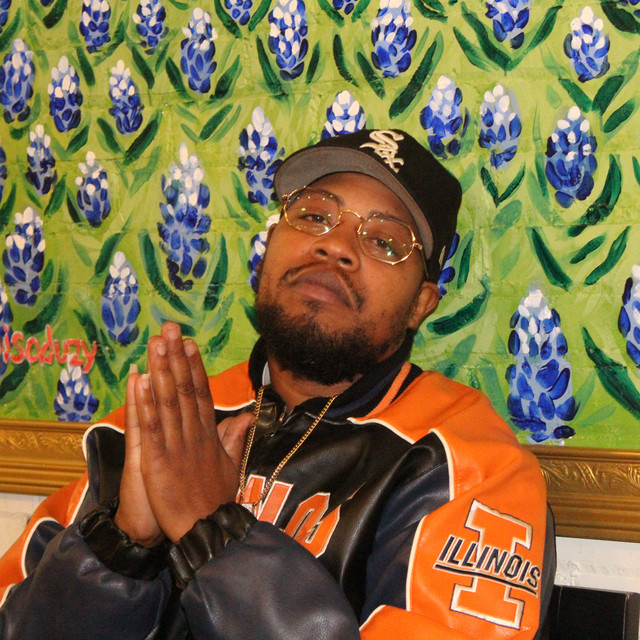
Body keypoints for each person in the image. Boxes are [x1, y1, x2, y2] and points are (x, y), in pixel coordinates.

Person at [0, 128, 555, 639]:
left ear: (421, 305)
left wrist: (212, 534)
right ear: (269, 245)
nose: (336, 245)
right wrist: (122, 547)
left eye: (385, 242)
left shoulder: (467, 465)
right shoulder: (163, 418)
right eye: (314, 215)